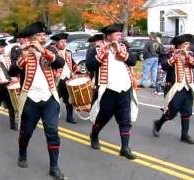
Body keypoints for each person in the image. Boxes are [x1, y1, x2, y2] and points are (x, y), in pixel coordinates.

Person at [8, 22, 67, 180]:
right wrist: (24, 58)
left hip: (49, 98)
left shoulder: (51, 50)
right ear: (31, 38)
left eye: (43, 35)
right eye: (39, 36)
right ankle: (22, 154)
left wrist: (43, 51)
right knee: (26, 132)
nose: (42, 37)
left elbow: (60, 63)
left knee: (53, 133)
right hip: (30, 99)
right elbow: (12, 71)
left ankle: (54, 167)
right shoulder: (22, 52)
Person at [86, 23, 138, 160]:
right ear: (108, 36)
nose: (120, 36)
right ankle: (94, 135)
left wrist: (120, 51)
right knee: (102, 118)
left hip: (124, 88)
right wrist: (104, 51)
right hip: (107, 89)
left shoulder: (123, 47)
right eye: (117, 34)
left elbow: (133, 61)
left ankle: (125, 147)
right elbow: (89, 65)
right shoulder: (97, 49)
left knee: (125, 120)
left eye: (120, 34)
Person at [152, 34, 194, 144]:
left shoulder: (190, 55)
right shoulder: (170, 54)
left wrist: (186, 56)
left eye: (188, 44)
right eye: (185, 44)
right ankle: (158, 123)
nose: (187, 46)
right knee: (171, 112)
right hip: (174, 87)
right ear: (179, 45)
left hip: (187, 86)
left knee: (187, 111)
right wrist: (175, 57)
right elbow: (164, 66)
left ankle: (184, 135)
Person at [49, 32, 78, 124]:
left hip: (67, 78)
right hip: (57, 79)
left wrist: (75, 68)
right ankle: (53, 117)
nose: (64, 43)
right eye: (62, 41)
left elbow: (72, 64)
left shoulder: (68, 52)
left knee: (69, 99)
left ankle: (70, 117)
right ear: (56, 43)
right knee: (54, 100)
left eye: (65, 41)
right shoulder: (52, 52)